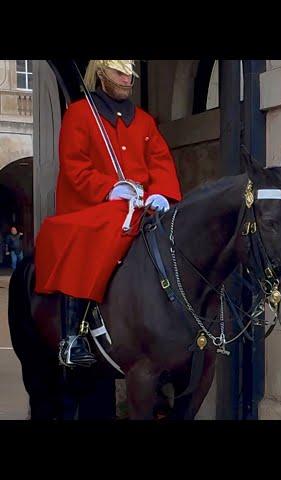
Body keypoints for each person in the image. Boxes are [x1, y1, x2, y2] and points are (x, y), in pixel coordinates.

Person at [34, 60, 182, 368]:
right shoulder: (79, 114)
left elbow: (160, 162)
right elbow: (75, 165)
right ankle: (74, 335)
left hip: (141, 204)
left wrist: (161, 192)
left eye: (130, 73)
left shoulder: (143, 121)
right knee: (100, 230)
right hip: (94, 205)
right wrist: (109, 189)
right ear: (102, 74)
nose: (127, 79)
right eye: (119, 73)